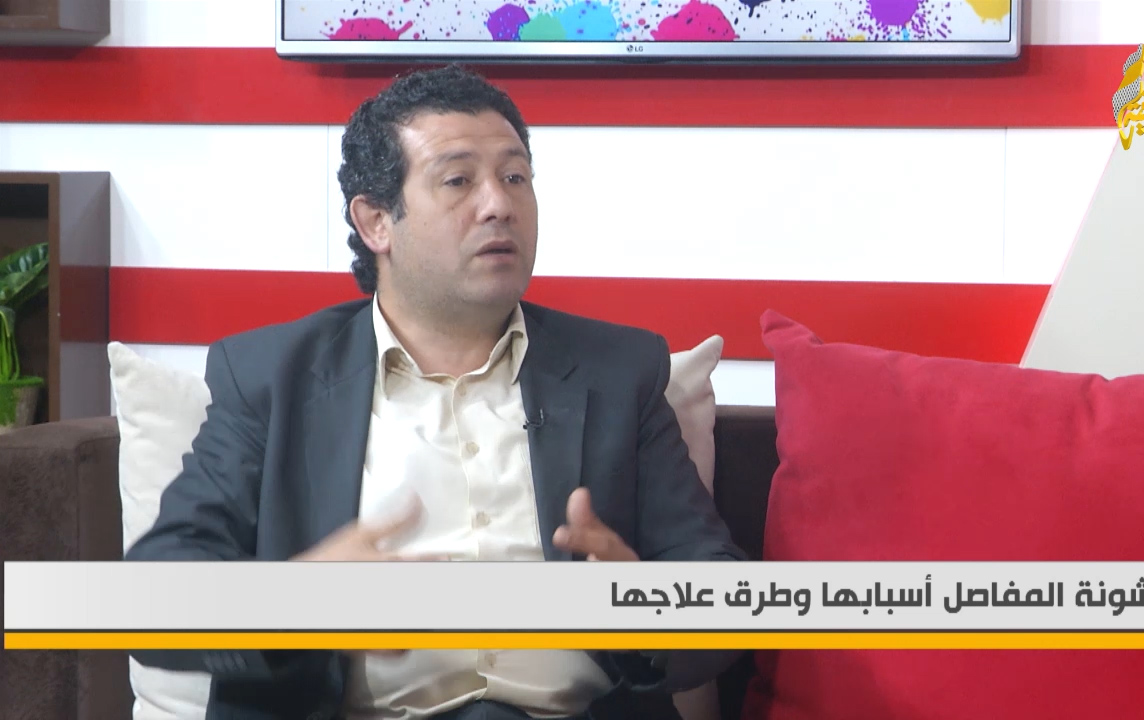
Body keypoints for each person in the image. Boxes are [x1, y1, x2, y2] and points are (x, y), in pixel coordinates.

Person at [124, 64, 747, 719]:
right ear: (376, 222)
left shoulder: (619, 370)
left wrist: (644, 602)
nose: (499, 204)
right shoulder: (270, 376)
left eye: (515, 177)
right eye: (458, 181)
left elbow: (723, 590)